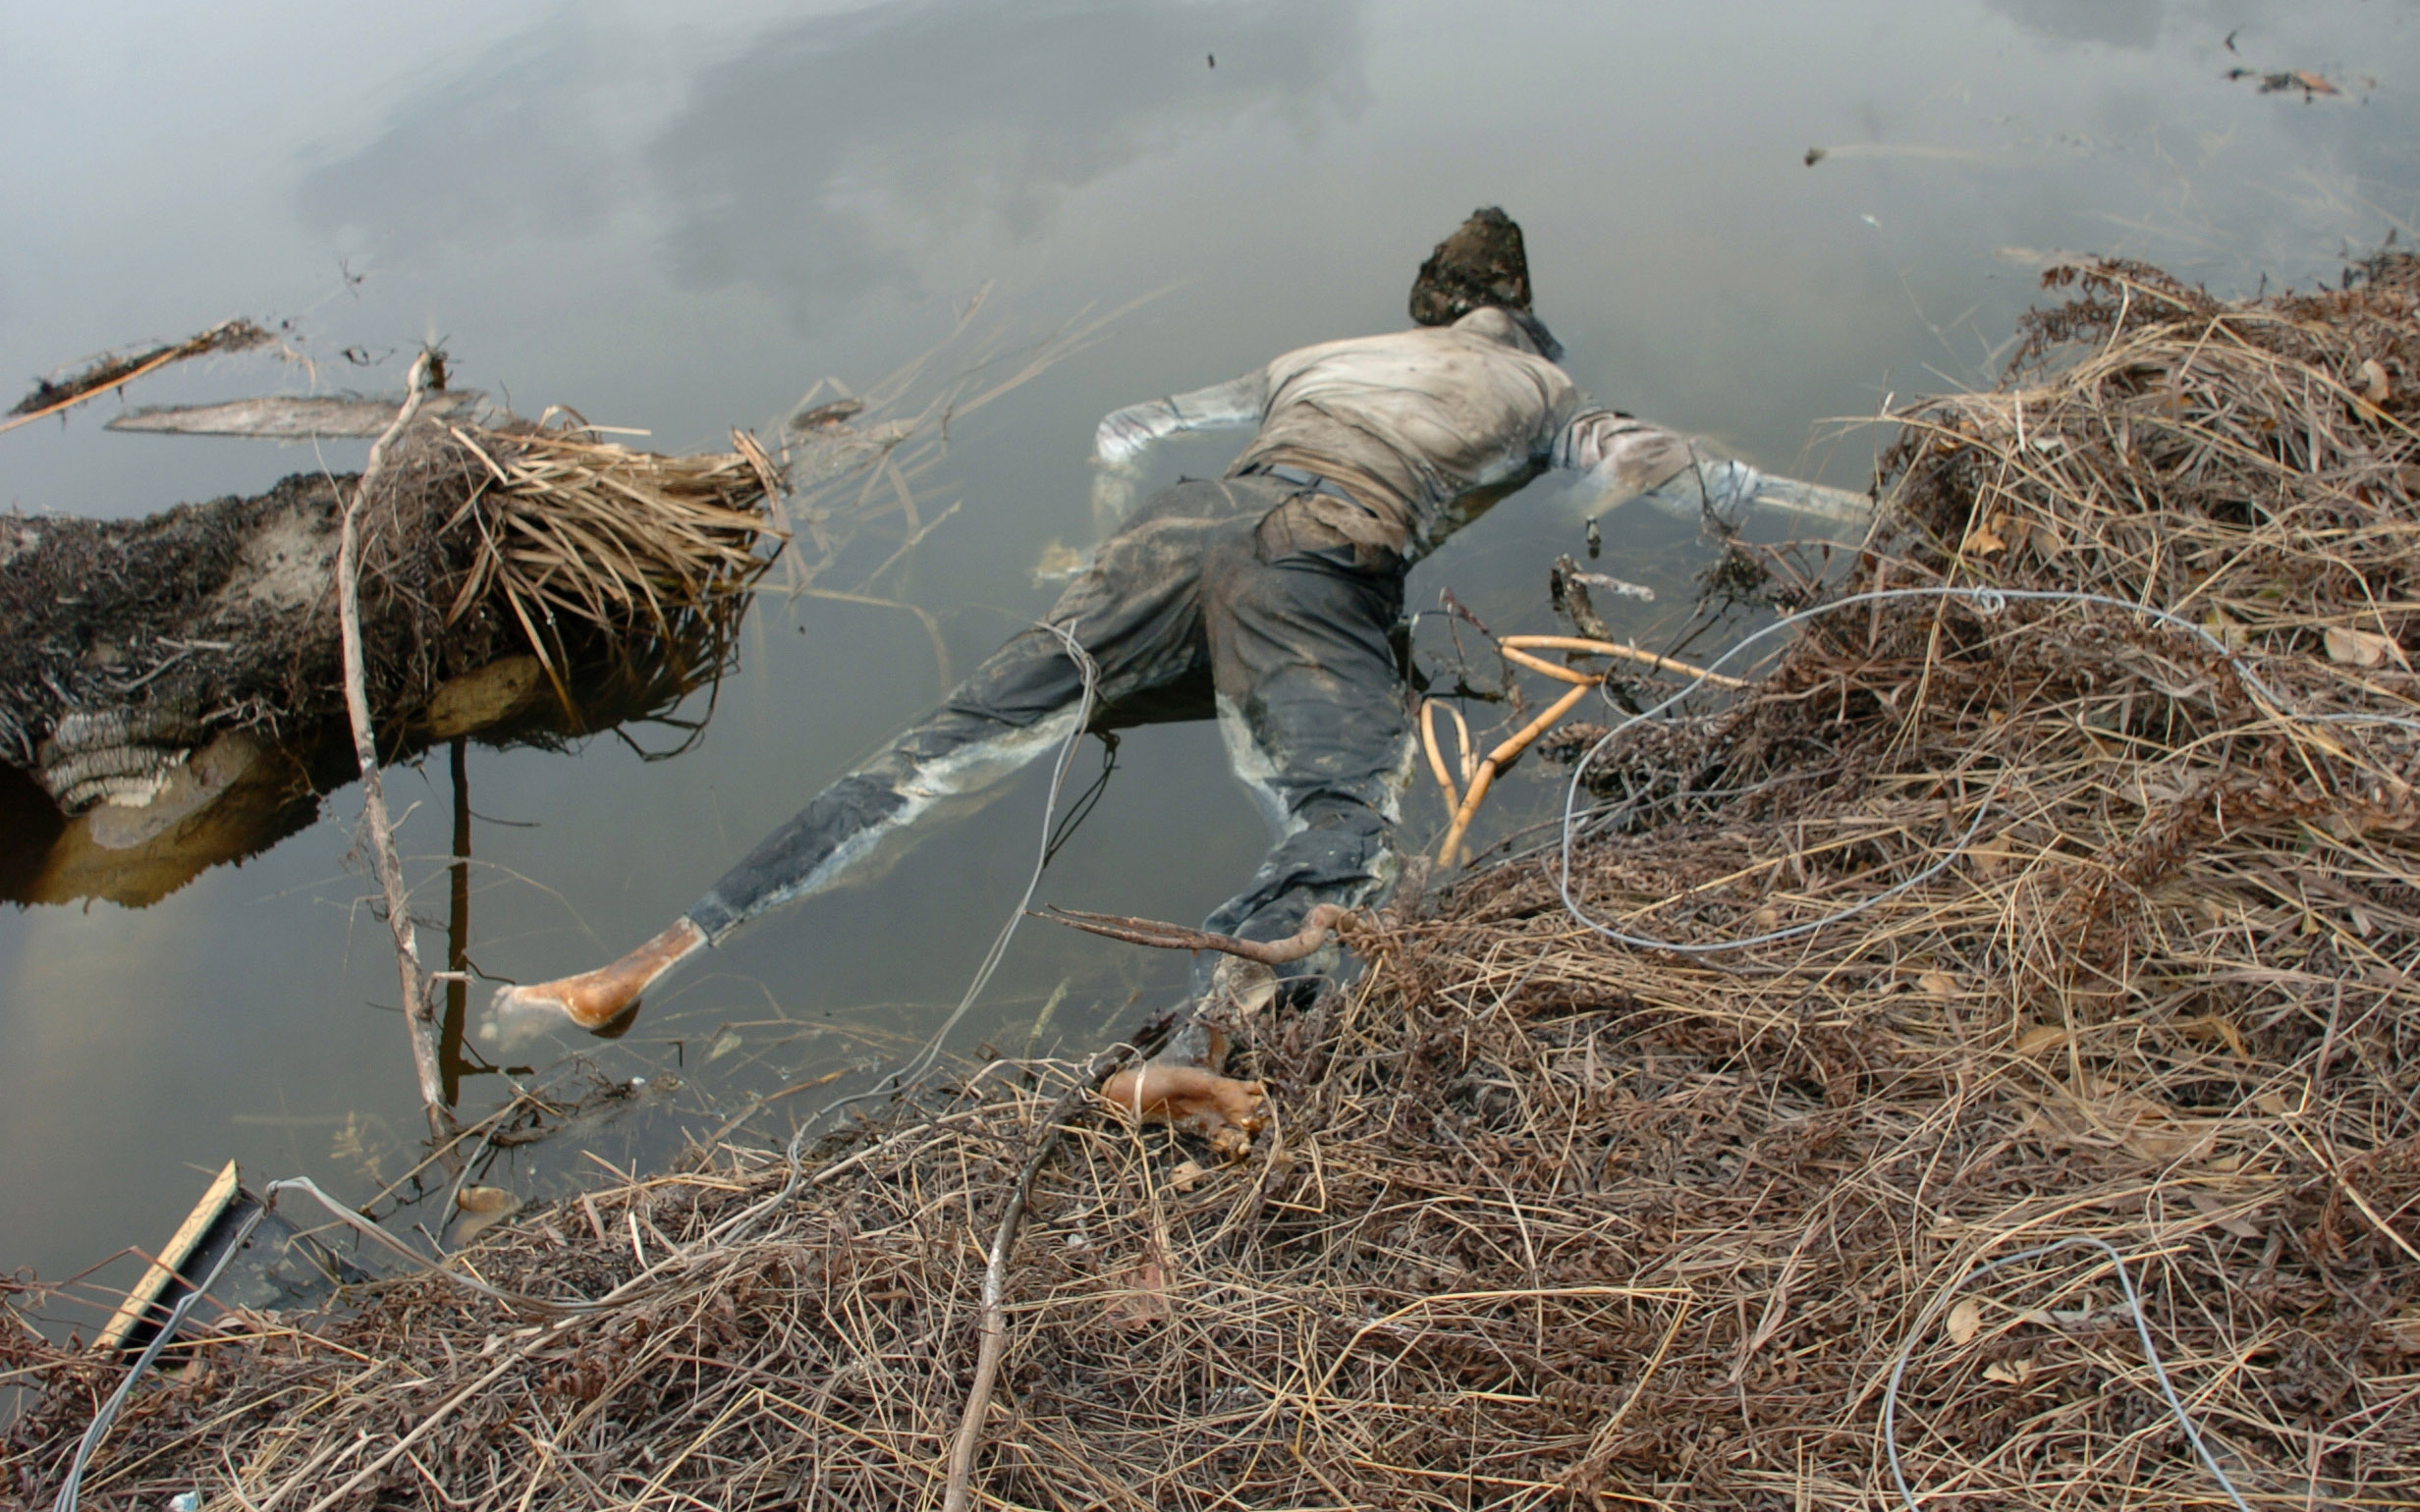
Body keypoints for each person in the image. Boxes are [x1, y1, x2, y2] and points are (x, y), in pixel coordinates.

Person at [484, 209, 1866, 1049]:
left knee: (936, 751)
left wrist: (1087, 542)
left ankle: (632, 967)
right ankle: (1205, 1034)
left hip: (1181, 523)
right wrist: (1865, 514)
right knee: (1344, 824)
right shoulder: (1543, 386)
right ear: (1522, 320)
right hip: (1321, 560)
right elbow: (1701, 482)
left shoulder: (1314, 359)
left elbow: (1127, 422)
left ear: (1428, 308)